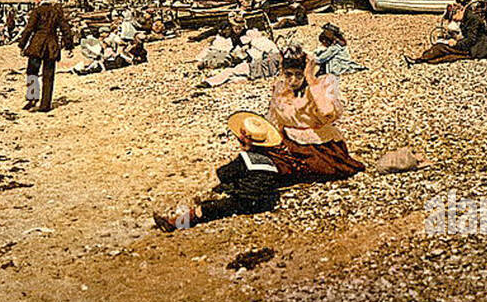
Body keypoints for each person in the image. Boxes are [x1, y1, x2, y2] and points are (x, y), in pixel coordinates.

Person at [155, 45, 365, 230]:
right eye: (288, 74)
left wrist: (310, 79)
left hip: (319, 151)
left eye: (297, 75)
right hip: (286, 144)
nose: (292, 80)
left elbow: (328, 113)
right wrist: (256, 141)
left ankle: (190, 215)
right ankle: (194, 208)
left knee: (255, 174)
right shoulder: (281, 87)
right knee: (246, 165)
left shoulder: (323, 84)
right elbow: (273, 120)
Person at [17, 0, 74, 112]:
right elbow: (65, 28)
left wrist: (22, 45)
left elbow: (29, 29)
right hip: (52, 45)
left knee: (32, 72)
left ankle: (32, 98)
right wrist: (69, 45)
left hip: (37, 45)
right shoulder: (56, 10)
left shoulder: (37, 11)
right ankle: (45, 105)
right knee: (48, 75)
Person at [409, 0, 487, 64]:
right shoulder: (467, 18)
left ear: (460, 11)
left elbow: (471, 40)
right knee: (444, 50)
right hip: (474, 45)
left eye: (454, 17)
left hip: (479, 48)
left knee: (443, 49)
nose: (454, 20)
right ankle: (423, 59)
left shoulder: (473, 19)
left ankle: (421, 59)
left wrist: (456, 43)